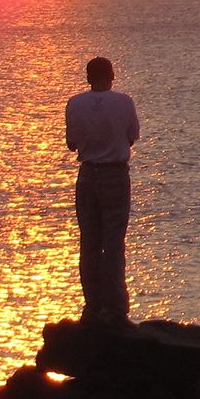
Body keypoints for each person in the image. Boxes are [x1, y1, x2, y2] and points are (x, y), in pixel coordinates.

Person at [65, 55, 140, 326]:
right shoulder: (124, 102)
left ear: (87, 77)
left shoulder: (75, 103)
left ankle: (93, 306)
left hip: (87, 175)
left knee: (89, 244)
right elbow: (131, 137)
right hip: (115, 174)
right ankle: (116, 308)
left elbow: (72, 143)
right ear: (112, 76)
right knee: (113, 243)